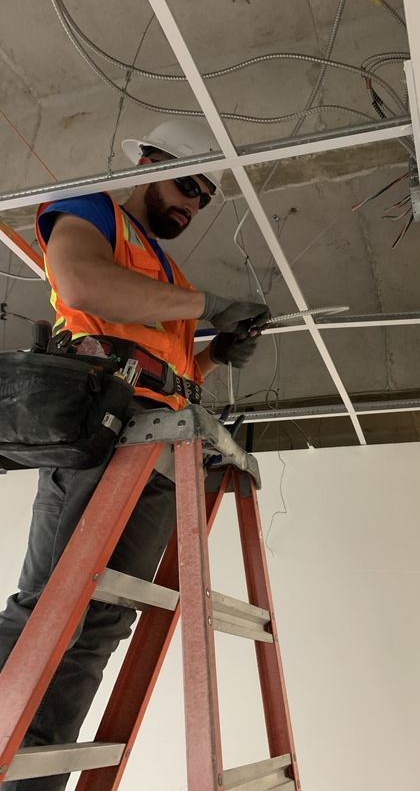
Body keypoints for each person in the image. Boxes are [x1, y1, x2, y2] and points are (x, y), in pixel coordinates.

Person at [0, 120, 269, 791]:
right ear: (147, 164)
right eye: (185, 186)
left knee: (101, 623)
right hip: (101, 437)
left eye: (204, 197)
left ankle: (31, 780)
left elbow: (171, 372)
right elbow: (81, 284)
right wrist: (207, 304)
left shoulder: (167, 273)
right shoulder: (94, 213)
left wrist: (212, 352)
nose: (192, 205)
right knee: (50, 608)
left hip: (157, 447)